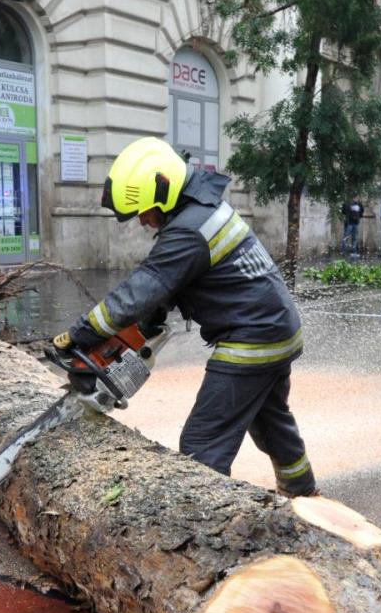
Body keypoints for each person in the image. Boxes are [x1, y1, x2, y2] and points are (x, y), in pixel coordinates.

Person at [54, 137, 316, 497]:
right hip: (276, 329)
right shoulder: (202, 213)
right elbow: (170, 288)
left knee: (201, 444)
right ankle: (302, 492)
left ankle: (206, 524)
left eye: (145, 211)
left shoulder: (189, 231)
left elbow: (141, 291)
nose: (144, 221)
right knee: (270, 420)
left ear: (164, 193)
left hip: (252, 338)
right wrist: (140, 328)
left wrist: (83, 333)